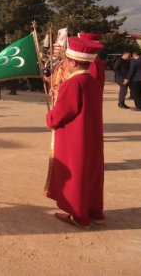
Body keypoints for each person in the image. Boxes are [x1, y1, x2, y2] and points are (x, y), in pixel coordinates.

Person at [45, 36, 104, 229]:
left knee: (75, 174)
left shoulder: (73, 83)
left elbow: (61, 114)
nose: (64, 64)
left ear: (73, 62)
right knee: (91, 173)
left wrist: (50, 116)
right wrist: (59, 94)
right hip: (91, 137)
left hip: (74, 138)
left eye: (65, 61)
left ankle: (79, 216)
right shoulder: (91, 81)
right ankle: (95, 212)